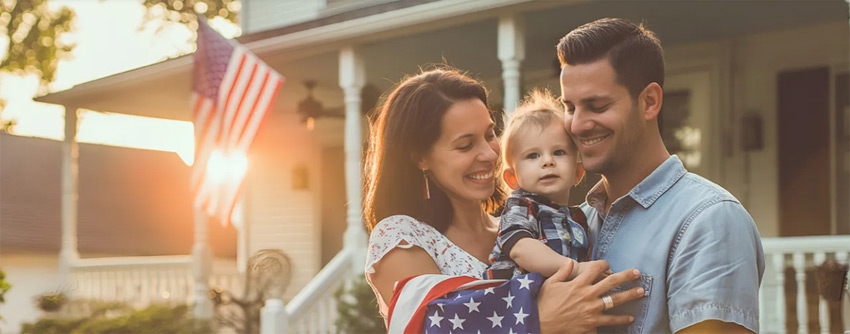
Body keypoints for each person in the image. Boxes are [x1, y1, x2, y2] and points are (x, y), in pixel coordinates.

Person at [363, 68, 645, 333]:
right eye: (465, 145)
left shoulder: (527, 227)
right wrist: (540, 317)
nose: (489, 154)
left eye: (490, 135)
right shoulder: (401, 236)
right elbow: (431, 324)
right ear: (420, 157)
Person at [557, 18, 765, 333]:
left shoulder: (709, 220)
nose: (577, 125)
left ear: (650, 101)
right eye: (570, 107)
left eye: (596, 106)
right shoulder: (574, 224)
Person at [484, 89, 591, 280]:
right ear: (512, 178)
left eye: (559, 152)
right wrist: (575, 270)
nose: (547, 161)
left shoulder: (578, 219)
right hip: (515, 302)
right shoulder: (522, 207)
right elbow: (521, 249)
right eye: (533, 155)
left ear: (577, 172)